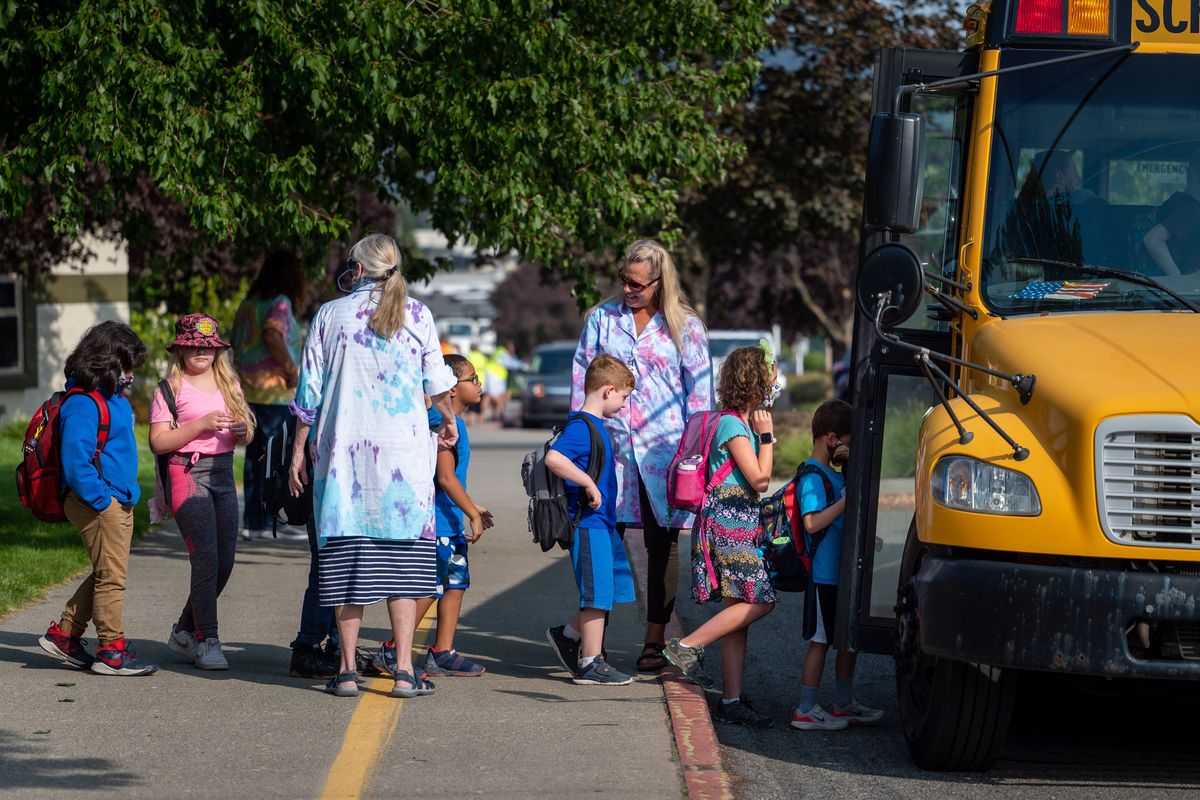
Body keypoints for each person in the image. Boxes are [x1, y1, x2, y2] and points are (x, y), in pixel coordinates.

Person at [287, 233, 459, 699]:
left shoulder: (330, 314)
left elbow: (310, 393)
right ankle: (404, 670)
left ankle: (345, 671)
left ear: (356, 269)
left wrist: (299, 449)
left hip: (343, 462)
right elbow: (439, 381)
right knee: (404, 571)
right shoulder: (418, 314)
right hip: (403, 464)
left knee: (348, 572)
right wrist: (448, 422)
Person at [571, 240, 712, 673]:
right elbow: (582, 379)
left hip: (663, 454)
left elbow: (701, 396)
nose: (628, 289)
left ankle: (654, 642)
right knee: (601, 543)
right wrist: (580, 438)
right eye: (624, 280)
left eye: (637, 284)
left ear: (658, 282)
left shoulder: (685, 327)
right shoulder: (601, 319)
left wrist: (695, 454)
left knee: (661, 544)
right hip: (607, 451)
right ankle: (594, 648)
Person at [660, 346, 776, 728]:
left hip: (735, 521)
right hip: (728, 523)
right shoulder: (732, 426)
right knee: (761, 602)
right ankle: (687, 645)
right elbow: (759, 479)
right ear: (755, 382)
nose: (774, 381)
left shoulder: (735, 423)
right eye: (769, 375)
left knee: (736, 616)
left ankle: (731, 699)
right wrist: (768, 437)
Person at [37, 321, 158, 676]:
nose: (131, 374)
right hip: (98, 501)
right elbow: (76, 462)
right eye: (127, 366)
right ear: (107, 361)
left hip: (116, 497)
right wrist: (102, 500)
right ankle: (111, 649)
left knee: (107, 571)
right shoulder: (84, 404)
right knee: (112, 577)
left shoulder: (111, 398)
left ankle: (65, 635)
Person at [150, 313, 255, 670]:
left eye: (208, 348)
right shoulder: (169, 388)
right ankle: (207, 639)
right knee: (206, 557)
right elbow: (158, 441)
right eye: (193, 347)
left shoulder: (229, 384)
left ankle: (184, 630)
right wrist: (201, 424)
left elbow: (247, 434)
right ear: (179, 350)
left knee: (224, 561)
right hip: (186, 472)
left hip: (224, 474)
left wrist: (242, 431)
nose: (201, 354)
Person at [378, 354, 493, 678]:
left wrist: (470, 506)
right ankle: (391, 651)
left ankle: (443, 652)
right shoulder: (440, 422)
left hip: (450, 519)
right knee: (430, 587)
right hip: (435, 524)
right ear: (452, 388)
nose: (479, 383)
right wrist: (472, 512)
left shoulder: (456, 423)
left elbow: (451, 480)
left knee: (456, 583)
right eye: (472, 378)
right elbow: (444, 477)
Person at [544, 355, 637, 685]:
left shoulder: (593, 425)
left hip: (602, 524)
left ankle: (568, 636)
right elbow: (554, 458)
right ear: (608, 390)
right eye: (624, 397)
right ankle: (590, 662)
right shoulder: (583, 427)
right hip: (588, 523)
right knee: (597, 594)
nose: (624, 405)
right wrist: (586, 482)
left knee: (609, 590)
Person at [789, 399, 882, 730]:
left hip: (841, 574)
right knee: (821, 640)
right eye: (848, 440)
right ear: (832, 439)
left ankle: (842, 702)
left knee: (846, 638)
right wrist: (845, 500)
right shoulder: (813, 477)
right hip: (823, 576)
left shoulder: (835, 472)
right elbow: (812, 523)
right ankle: (805, 708)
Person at [230, 250, 307, 541]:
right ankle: (277, 517)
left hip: (249, 389)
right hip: (275, 391)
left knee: (254, 457)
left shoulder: (249, 303)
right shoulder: (280, 304)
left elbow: (236, 342)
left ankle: (254, 521)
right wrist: (291, 368)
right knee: (277, 458)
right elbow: (273, 334)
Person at [1143, 151, 1200, 276]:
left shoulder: (1177, 202)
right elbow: (1152, 239)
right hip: (1177, 290)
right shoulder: (1189, 208)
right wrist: (1177, 281)